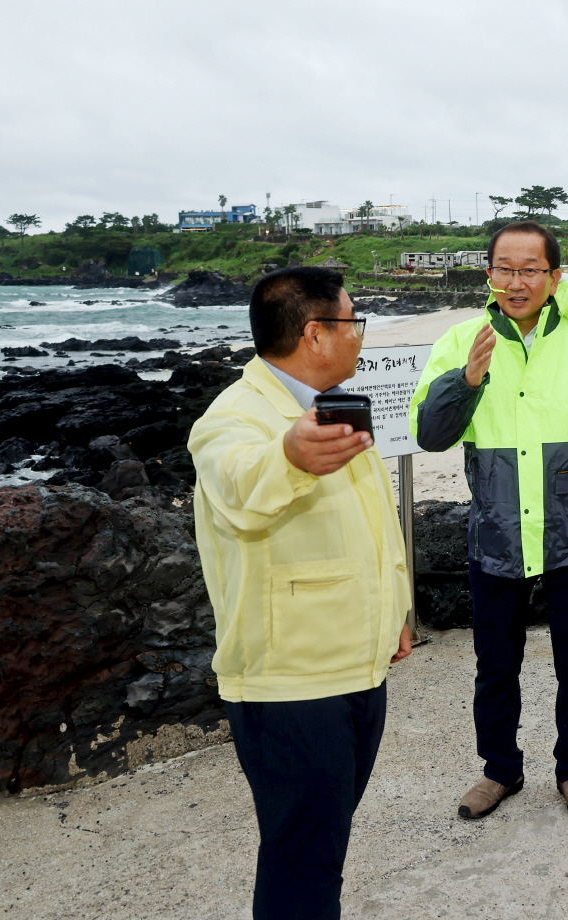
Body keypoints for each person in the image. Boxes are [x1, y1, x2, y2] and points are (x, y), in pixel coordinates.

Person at [188, 266, 413, 919]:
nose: (360, 334)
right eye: (353, 321)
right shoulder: (234, 417)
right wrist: (287, 455)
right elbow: (238, 481)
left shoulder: (331, 402)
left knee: (320, 849)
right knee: (303, 863)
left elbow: (367, 525)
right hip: (290, 687)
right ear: (317, 334)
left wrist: (391, 613)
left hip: (354, 669)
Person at [410, 221, 568, 822]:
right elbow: (430, 436)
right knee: (495, 668)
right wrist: (465, 381)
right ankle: (499, 771)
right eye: (505, 269)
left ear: (554, 277)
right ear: (488, 274)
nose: (516, 281)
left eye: (530, 270)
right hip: (496, 538)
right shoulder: (462, 339)